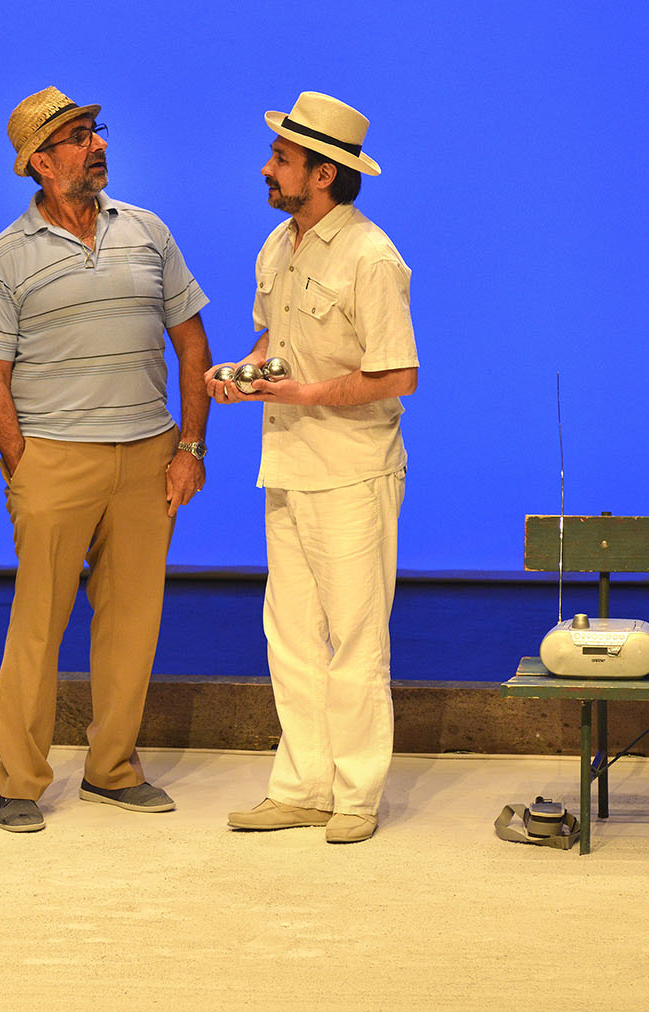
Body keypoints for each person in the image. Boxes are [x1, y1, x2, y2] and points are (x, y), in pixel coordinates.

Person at [0, 86, 212, 833]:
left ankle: (112, 770)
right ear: (41, 163)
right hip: (55, 461)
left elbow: (192, 345)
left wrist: (190, 447)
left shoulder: (148, 232)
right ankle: (21, 782)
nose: (97, 144)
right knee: (37, 626)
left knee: (132, 624)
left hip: (148, 456)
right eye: (78, 137)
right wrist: (24, 465)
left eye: (95, 131)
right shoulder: (7, 256)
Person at [212, 92, 419, 844]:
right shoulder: (278, 246)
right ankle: (302, 787)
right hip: (288, 465)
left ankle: (356, 796)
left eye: (282, 159)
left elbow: (398, 375)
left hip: (352, 470)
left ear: (323, 174)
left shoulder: (372, 257)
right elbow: (273, 341)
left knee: (356, 638)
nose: (268, 169)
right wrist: (243, 372)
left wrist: (303, 392)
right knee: (291, 636)